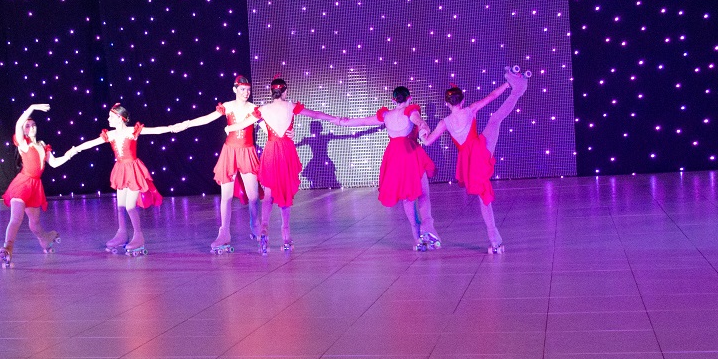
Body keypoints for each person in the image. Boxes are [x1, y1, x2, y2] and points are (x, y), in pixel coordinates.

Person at [422, 67, 529, 254]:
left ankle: (495, 241)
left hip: (468, 160)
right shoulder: (470, 110)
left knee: (483, 197)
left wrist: (422, 132)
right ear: (462, 100)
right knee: (495, 119)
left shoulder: (444, 122)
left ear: (446, 104)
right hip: (480, 149)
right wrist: (507, 84)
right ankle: (517, 89)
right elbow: (492, 96)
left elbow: (428, 141)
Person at [224, 77, 336, 254]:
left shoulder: (263, 109)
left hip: (271, 151)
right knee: (284, 193)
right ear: (285, 91)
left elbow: (243, 124)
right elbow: (316, 114)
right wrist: (336, 119)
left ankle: (264, 229)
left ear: (271, 92)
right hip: (286, 151)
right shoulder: (291, 106)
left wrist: (229, 129)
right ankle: (286, 234)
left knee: (268, 194)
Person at [334, 86, 439, 250]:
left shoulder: (386, 115)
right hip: (411, 154)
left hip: (395, 158)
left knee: (407, 197)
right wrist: (424, 129)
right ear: (409, 98)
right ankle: (427, 230)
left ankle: (417, 236)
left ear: (393, 100)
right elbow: (419, 121)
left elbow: (363, 121)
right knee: (423, 194)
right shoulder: (410, 111)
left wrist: (341, 121)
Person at [172, 75, 260, 254]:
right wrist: (186, 124)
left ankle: (255, 225)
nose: (246, 92)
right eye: (242, 89)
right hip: (230, 152)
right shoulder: (228, 106)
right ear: (235, 89)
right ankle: (224, 232)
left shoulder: (254, 108)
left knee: (253, 195)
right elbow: (207, 119)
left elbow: (266, 125)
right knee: (226, 196)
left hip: (247, 152)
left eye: (248, 90)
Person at [71, 103, 172, 256]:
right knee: (120, 206)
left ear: (120, 118)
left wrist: (173, 127)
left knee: (130, 207)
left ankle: (138, 236)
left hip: (133, 170)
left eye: (111, 116)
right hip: (120, 170)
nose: (108, 119)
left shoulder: (132, 131)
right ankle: (122, 233)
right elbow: (92, 143)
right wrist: (76, 149)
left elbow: (156, 130)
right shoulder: (110, 134)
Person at [0, 104, 77, 268]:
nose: (31, 127)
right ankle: (7, 248)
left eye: (33, 124)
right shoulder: (24, 144)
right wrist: (32, 107)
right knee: (16, 218)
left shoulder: (42, 145)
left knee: (34, 223)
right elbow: (18, 124)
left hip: (35, 187)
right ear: (24, 130)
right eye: (27, 126)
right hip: (22, 184)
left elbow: (54, 163)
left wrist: (69, 154)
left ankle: (46, 239)